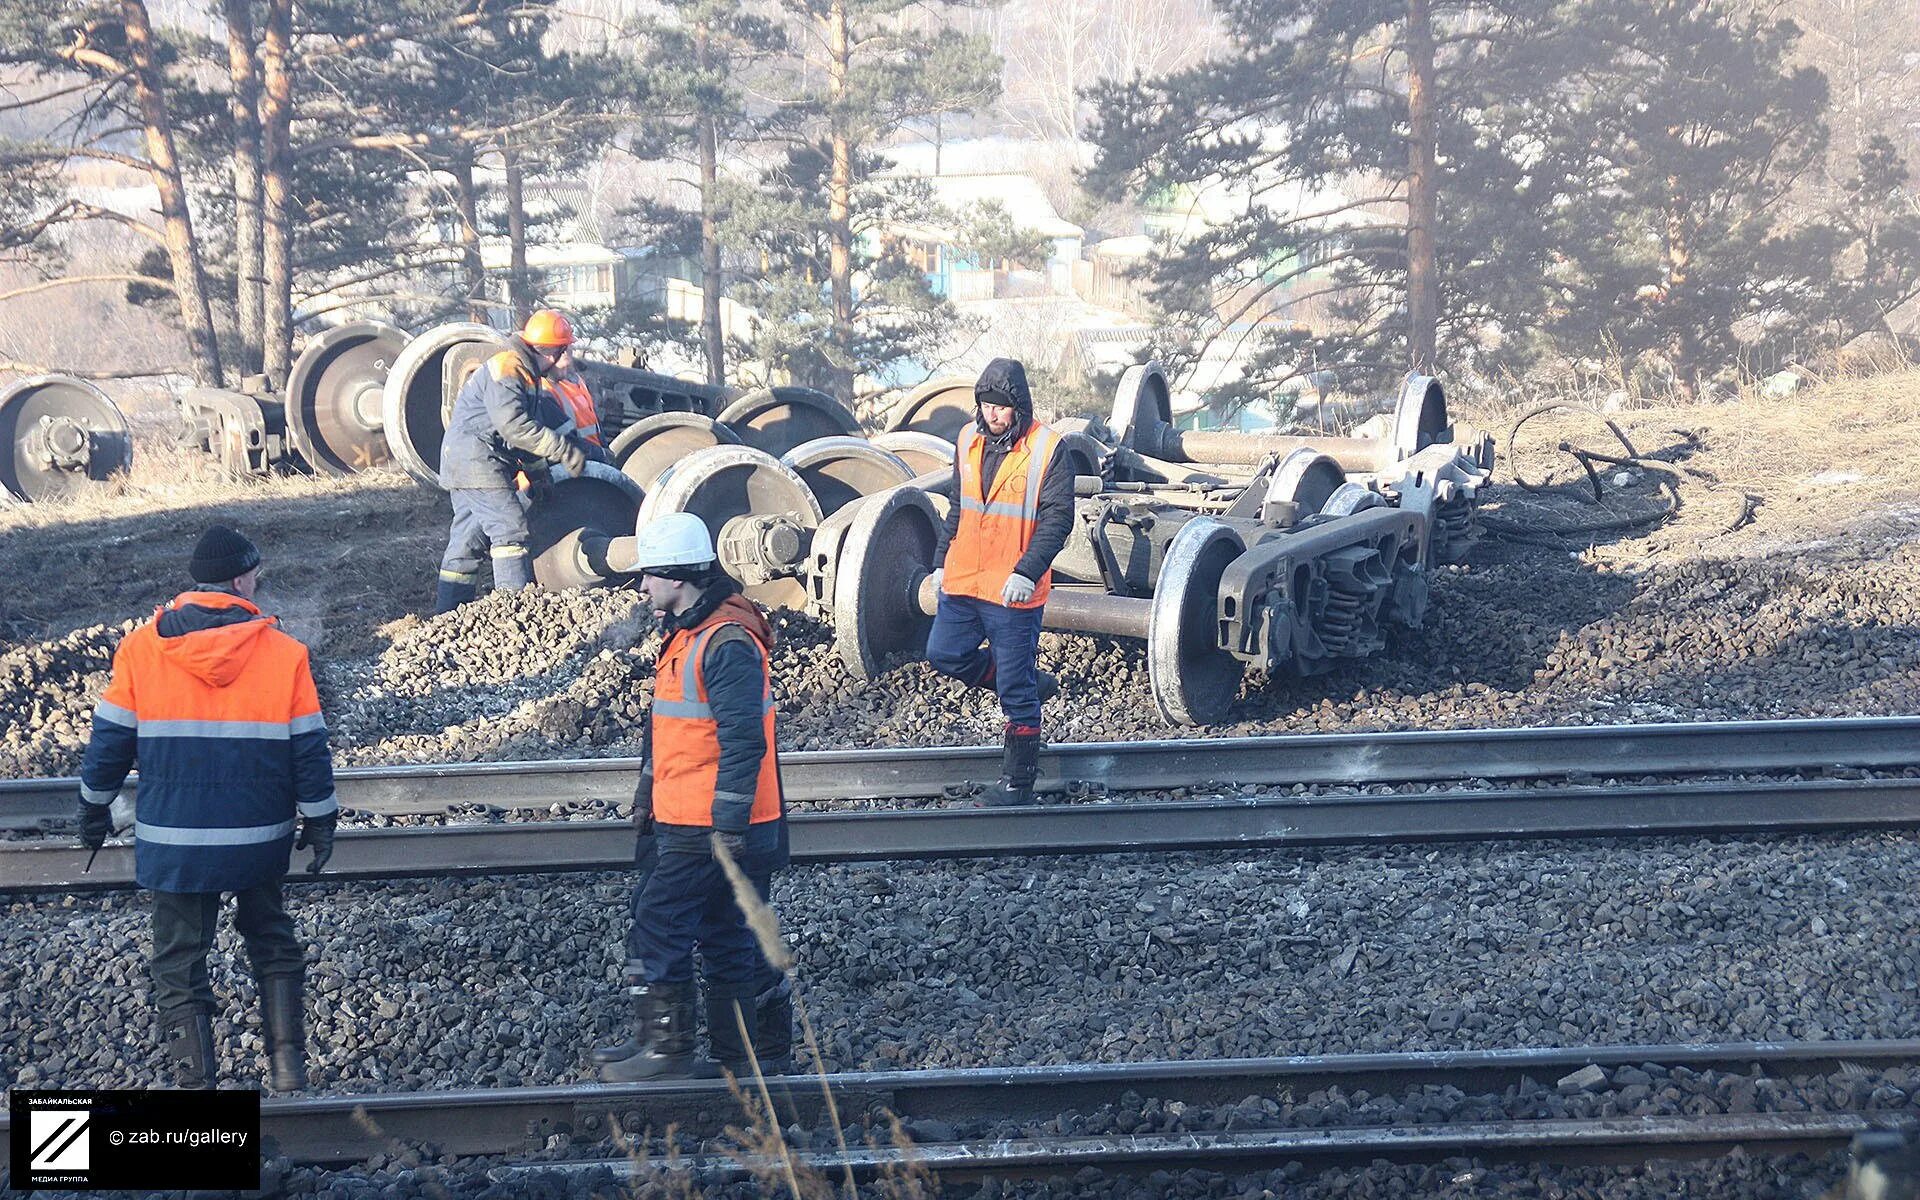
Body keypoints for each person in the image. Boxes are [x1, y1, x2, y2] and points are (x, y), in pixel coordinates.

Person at [77, 525, 337, 1090]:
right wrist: (320, 821)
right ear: (242, 579)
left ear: (198, 582)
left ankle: (198, 1094)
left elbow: (109, 746)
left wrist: (94, 809)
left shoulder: (141, 648)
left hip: (174, 842)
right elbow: (308, 751)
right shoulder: (285, 653)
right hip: (258, 837)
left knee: (179, 960)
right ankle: (290, 1076)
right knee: (271, 939)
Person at [592, 512, 793, 1081]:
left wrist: (727, 824)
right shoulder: (690, 633)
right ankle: (745, 1058)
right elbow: (670, 729)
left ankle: (667, 1051)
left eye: (649, 576)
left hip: (712, 823)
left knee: (657, 919)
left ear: (677, 576)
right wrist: (645, 792)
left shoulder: (724, 642)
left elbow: (742, 738)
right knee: (729, 932)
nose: (642, 586)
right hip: (695, 814)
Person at [924, 357, 1074, 805]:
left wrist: (1027, 571)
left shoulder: (1049, 448)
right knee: (943, 654)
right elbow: (958, 505)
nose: (991, 415)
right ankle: (1028, 680)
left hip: (1013, 591)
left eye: (1001, 407)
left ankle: (1018, 783)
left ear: (1019, 407)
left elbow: (1058, 519)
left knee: (1014, 690)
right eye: (985, 405)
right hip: (965, 580)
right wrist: (939, 560)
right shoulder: (967, 439)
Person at [435, 308, 595, 613]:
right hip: (477, 459)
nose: (570, 359)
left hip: (468, 458)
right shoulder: (508, 368)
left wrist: (539, 477)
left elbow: (519, 440)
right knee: (510, 530)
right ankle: (515, 614)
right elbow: (515, 428)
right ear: (551, 351)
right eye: (567, 350)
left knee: (467, 544)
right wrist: (563, 449)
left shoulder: (527, 374)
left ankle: (448, 616)